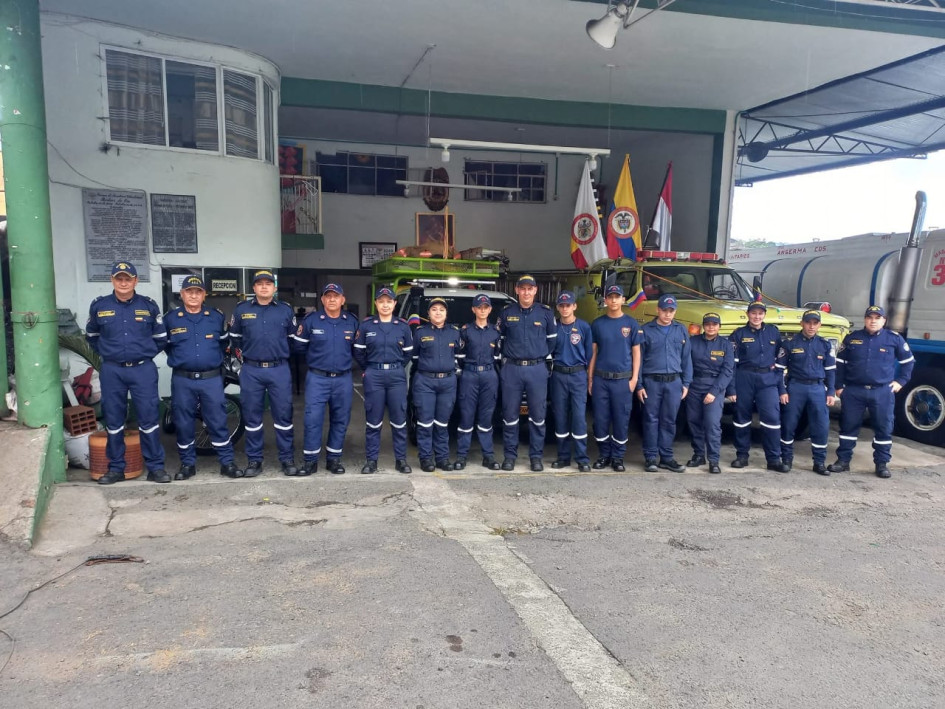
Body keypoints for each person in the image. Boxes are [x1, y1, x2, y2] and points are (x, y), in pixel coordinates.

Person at [85, 261, 169, 484]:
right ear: (112, 280)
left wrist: (143, 354)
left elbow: (161, 339)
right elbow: (92, 337)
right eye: (119, 278)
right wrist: (109, 354)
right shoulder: (99, 306)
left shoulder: (149, 306)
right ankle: (116, 469)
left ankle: (156, 468)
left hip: (143, 369)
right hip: (112, 370)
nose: (123, 282)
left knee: (149, 418)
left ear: (135, 281)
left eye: (128, 278)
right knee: (114, 420)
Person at [164, 275, 242, 480]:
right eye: (189, 291)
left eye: (197, 291)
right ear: (182, 294)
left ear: (204, 295)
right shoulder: (171, 319)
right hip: (183, 379)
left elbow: (223, 344)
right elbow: (166, 346)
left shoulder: (215, 317)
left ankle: (227, 463)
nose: (193, 295)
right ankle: (187, 464)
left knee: (218, 421)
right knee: (184, 422)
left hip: (211, 379)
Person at [829, 305, 915, 478]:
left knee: (883, 428)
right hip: (854, 391)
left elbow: (908, 362)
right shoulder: (852, 338)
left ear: (884, 320)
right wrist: (839, 386)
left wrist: (901, 381)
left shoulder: (894, 339)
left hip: (882, 391)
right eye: (870, 317)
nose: (873, 321)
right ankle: (843, 461)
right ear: (865, 319)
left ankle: (881, 464)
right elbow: (839, 364)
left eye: (877, 318)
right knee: (848, 427)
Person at [229, 269, 298, 476]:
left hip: (279, 369)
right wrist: (243, 364)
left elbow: (293, 341)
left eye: (268, 283)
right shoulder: (241, 310)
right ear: (254, 288)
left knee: (284, 416)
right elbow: (235, 340)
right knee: (252, 418)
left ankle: (287, 459)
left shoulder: (285, 310)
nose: (264, 286)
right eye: (260, 284)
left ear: (274, 288)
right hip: (252, 370)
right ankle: (254, 461)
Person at [292, 283, 356, 476]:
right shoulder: (312, 321)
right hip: (317, 378)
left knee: (341, 419)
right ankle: (310, 461)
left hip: (343, 379)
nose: (332, 299)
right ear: (322, 300)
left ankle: (333, 459)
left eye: (336, 296)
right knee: (313, 419)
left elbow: (358, 350)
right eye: (328, 296)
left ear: (343, 299)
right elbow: (299, 348)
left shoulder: (351, 322)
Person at [497, 274, 557, 471]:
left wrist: (537, 356)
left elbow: (552, 341)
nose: (526, 292)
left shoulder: (546, 313)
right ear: (516, 290)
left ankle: (536, 457)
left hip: (536, 369)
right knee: (510, 415)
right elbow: (500, 340)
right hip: (512, 369)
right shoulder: (506, 313)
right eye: (522, 288)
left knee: (538, 416)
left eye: (529, 288)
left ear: (535, 290)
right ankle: (510, 457)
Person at [353, 286, 413, 474]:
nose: (385, 305)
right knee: (373, 420)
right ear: (376, 303)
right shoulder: (367, 325)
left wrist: (395, 367)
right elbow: (358, 351)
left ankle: (401, 460)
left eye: (389, 301)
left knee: (399, 420)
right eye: (381, 301)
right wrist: (370, 369)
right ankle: (371, 461)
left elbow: (408, 354)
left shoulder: (402, 326)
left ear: (395, 304)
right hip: (374, 375)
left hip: (396, 375)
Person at [588, 284, 642, 472]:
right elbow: (593, 353)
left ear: (623, 300)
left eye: (616, 297)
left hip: (622, 381)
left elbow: (636, 353)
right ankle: (604, 455)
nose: (613, 300)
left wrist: (634, 379)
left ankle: (618, 457)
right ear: (605, 300)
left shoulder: (631, 324)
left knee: (621, 419)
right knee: (601, 420)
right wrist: (590, 379)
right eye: (610, 297)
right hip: (601, 380)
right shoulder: (597, 324)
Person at [729, 301, 788, 472]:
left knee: (771, 419)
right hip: (744, 377)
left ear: (764, 315)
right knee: (742, 418)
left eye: (760, 313)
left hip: (767, 379)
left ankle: (773, 459)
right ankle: (742, 456)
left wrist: (780, 384)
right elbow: (732, 364)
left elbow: (780, 359)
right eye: (753, 313)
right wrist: (731, 388)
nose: (757, 316)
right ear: (748, 314)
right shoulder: (738, 334)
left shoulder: (773, 332)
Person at [777, 309, 836, 475]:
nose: (811, 326)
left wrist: (830, 391)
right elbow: (779, 370)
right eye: (808, 322)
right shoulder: (790, 343)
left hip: (818, 389)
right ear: (801, 323)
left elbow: (831, 370)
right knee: (789, 424)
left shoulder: (825, 345)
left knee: (821, 426)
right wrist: (782, 390)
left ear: (819, 325)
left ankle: (819, 463)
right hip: (795, 388)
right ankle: (787, 460)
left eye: (815, 323)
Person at [637, 294, 692, 473]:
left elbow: (686, 359)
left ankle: (666, 458)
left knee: (669, 420)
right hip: (652, 382)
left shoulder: (681, 330)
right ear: (657, 310)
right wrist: (639, 385)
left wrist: (686, 383)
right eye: (664, 310)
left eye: (671, 311)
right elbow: (639, 359)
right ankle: (651, 457)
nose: (668, 314)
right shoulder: (646, 330)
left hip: (674, 382)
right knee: (651, 419)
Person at [412, 297, 461, 472]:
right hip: (425, 381)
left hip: (447, 382)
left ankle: (442, 458)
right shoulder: (419, 332)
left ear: (446, 313)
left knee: (442, 423)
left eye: (441, 309)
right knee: (425, 422)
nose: (438, 312)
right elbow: (415, 357)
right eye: (434, 309)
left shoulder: (455, 333)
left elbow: (458, 356)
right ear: (428, 313)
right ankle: (426, 458)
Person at [454, 294, 502, 470]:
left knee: (486, 417)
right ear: (473, 309)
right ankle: (461, 456)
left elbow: (498, 356)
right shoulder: (465, 331)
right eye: (479, 307)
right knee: (466, 416)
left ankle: (488, 456)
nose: (482, 310)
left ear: (489, 309)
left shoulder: (495, 332)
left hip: (489, 376)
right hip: (470, 375)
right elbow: (458, 356)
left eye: (486, 307)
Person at [550, 290, 593, 472]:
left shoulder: (584, 327)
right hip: (558, 375)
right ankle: (563, 456)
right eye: (562, 305)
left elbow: (590, 355)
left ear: (575, 306)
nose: (565, 308)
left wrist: (589, 378)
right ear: (558, 307)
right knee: (560, 417)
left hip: (578, 375)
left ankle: (582, 458)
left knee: (578, 418)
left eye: (568, 305)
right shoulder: (553, 327)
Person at [686, 312, 733, 474]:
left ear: (719, 326)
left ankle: (714, 460)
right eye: (708, 324)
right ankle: (699, 455)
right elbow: (686, 364)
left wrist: (714, 392)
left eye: (714, 324)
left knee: (712, 424)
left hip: (715, 387)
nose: (711, 327)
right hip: (694, 386)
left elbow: (727, 371)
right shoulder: (693, 342)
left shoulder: (726, 345)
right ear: (703, 326)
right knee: (694, 422)